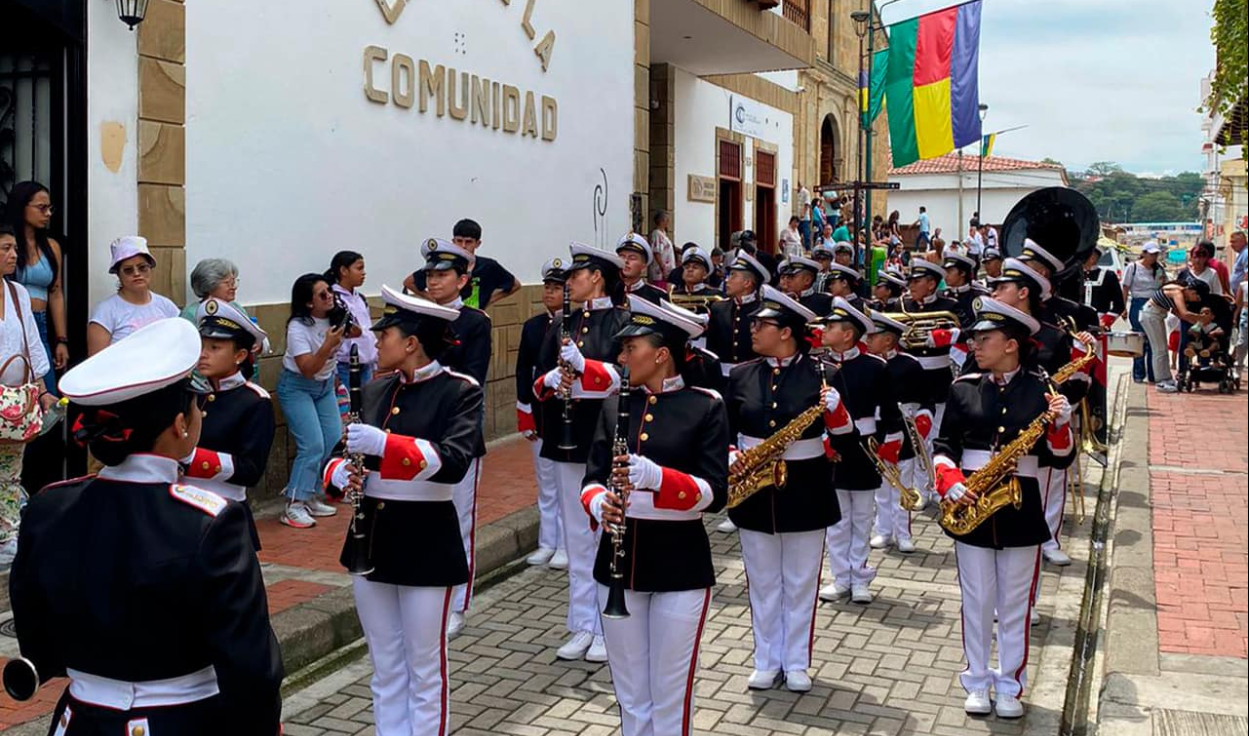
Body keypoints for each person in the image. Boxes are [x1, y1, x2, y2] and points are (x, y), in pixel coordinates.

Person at [10, 318, 283, 733]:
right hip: (181, 718)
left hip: (78, 718)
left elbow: (34, 627)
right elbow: (249, 663)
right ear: (180, 425)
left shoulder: (49, 505)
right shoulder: (212, 521)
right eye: (195, 407)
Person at [322, 286, 481, 736]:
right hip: (371, 536)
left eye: (385, 334)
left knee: (425, 668)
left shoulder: (458, 391)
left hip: (427, 539)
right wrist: (337, 474)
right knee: (385, 665)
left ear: (411, 343)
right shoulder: (375, 390)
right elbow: (338, 455)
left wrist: (386, 445)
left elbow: (453, 462)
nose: (376, 342)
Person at [580, 295, 728, 735]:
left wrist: (658, 477)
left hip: (680, 562)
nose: (621, 357)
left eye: (631, 349)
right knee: (629, 691)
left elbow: (714, 493)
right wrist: (597, 503)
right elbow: (591, 477)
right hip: (618, 561)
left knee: (669, 691)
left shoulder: (706, 406)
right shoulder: (613, 405)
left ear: (661, 354)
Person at [933, 297, 1074, 720]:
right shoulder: (964, 387)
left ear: (1011, 344)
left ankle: (1010, 684)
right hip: (972, 498)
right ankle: (976, 679)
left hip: (1020, 501)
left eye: (985, 338)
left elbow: (1060, 457)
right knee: (975, 600)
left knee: (1015, 603)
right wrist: (950, 482)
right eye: (976, 337)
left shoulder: (1042, 389)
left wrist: (1062, 424)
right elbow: (944, 447)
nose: (976, 344)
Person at [726, 285, 848, 693]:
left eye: (762, 324)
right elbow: (726, 429)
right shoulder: (742, 373)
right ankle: (766, 658)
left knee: (800, 580)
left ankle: (796, 660)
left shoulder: (824, 374)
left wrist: (839, 413)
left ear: (786, 332)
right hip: (753, 486)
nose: (753, 329)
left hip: (805, 485)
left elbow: (847, 441)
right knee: (761, 579)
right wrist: (729, 455)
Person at [531, 242, 629, 663]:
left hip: (603, 437)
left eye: (577, 275)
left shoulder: (623, 321)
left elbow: (626, 378)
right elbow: (538, 381)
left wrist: (586, 367)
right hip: (567, 437)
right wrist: (554, 378)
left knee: (606, 532)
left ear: (598, 278)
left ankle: (609, 626)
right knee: (576, 537)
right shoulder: (563, 323)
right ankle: (582, 623)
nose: (569, 282)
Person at [990, 259, 1086, 569]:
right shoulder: (993, 332)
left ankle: (1049, 539)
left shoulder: (1054, 336)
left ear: (1023, 293)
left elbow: (1073, 384)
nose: (994, 291)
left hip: (1040, 423)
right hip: (1002, 421)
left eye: (1002, 287)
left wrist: (1056, 410)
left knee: (1048, 483)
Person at [420, 238, 491, 636]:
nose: (434, 281)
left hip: (456, 434)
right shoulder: (417, 317)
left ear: (463, 280)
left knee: (459, 521)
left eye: (443, 274)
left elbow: (472, 380)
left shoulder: (474, 322)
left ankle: (457, 604)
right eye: (430, 274)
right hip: (418, 436)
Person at [814, 298, 903, 605]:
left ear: (848, 334)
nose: (824, 330)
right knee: (837, 520)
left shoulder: (875, 367)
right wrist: (824, 443)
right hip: (832, 450)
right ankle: (840, 577)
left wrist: (887, 448)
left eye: (831, 326)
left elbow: (890, 413)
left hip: (864, 449)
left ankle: (860, 575)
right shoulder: (818, 366)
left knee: (862, 517)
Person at [183, 297, 275, 550]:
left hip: (224, 511)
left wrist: (188, 458)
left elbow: (250, 469)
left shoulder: (255, 402)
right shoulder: (192, 394)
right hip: (184, 509)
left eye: (215, 347)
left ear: (240, 355)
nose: (203, 354)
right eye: (202, 345)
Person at [0, 225, 58, 565]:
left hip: (14, 400)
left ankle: (7, 535)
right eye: (6, 248)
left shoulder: (18, 293)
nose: (13, 255)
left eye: (13, 249)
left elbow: (32, 343)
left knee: (9, 471)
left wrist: (42, 388)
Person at [276, 273, 345, 528]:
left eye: (330, 291)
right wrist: (327, 345)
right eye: (322, 294)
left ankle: (312, 493)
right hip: (297, 386)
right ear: (308, 303)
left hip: (325, 387)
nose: (330, 297)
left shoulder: (333, 318)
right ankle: (293, 504)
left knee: (331, 441)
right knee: (312, 444)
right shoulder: (298, 327)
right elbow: (307, 369)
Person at [866, 310, 934, 549]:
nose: (867, 341)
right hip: (877, 429)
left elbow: (927, 399)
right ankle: (883, 531)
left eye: (873, 336)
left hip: (903, 429)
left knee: (903, 484)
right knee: (881, 488)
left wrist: (924, 419)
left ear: (888, 339)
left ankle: (903, 534)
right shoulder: (869, 365)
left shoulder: (910, 365)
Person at [516, 258, 568, 570]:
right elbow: (524, 368)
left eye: (557, 287)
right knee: (545, 483)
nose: (550, 292)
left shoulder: (576, 324)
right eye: (547, 287)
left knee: (564, 485)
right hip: (539, 410)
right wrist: (524, 409)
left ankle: (565, 544)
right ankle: (547, 542)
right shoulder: (533, 326)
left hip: (563, 413)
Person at [901, 259, 964, 503]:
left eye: (917, 281)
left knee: (936, 436)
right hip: (910, 380)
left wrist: (947, 336)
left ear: (931, 284)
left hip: (938, 379)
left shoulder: (949, 306)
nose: (911, 286)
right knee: (915, 438)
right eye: (911, 281)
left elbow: (966, 334)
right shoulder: (903, 305)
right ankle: (920, 489)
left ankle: (937, 484)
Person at [6, 182, 67, 393]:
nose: (48, 213)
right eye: (41, 207)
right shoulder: (8, 245)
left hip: (39, 323)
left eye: (50, 208)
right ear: (22, 207)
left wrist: (61, 339)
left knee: (45, 391)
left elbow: (56, 292)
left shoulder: (52, 247)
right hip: (11, 323)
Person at [87, 236, 179, 355]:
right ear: (118, 274)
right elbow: (96, 362)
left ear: (150, 268)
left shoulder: (167, 306)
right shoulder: (105, 312)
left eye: (142, 268)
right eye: (128, 270)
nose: (137, 273)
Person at [404, 218, 520, 309]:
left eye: (468, 242)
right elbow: (409, 282)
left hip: (475, 321)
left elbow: (515, 285)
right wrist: (433, 299)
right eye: (459, 241)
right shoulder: (442, 265)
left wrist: (488, 301)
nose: (463, 246)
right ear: (453, 241)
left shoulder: (488, 266)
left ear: (478, 243)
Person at [706, 250, 770, 378]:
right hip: (722, 377)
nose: (727, 280)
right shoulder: (718, 307)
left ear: (747, 283)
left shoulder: (763, 310)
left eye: (733, 276)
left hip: (753, 376)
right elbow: (711, 348)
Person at [326, 250, 378, 389]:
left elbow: (368, 330)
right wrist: (334, 371)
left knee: (366, 406)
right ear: (344, 270)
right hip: (344, 365)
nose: (363, 273)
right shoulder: (333, 298)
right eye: (359, 268)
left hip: (365, 364)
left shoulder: (360, 298)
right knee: (347, 407)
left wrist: (374, 362)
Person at [1121, 242, 1168, 383]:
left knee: (1154, 340)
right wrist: (1123, 307)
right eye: (1151, 254)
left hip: (1154, 303)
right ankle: (1138, 374)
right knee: (1139, 340)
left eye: (1156, 254)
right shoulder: (1133, 267)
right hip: (1138, 303)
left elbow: (1164, 286)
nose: (1153, 257)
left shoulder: (1159, 269)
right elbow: (1125, 288)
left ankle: (1154, 374)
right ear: (1144, 253)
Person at [180, 257, 243, 322]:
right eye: (228, 283)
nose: (234, 287)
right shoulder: (191, 314)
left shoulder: (237, 308)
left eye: (233, 282)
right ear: (210, 285)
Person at [617, 232, 668, 304]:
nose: (626, 261)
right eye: (622, 256)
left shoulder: (657, 297)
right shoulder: (608, 293)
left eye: (632, 258)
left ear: (643, 266)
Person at [1082, 247, 1125, 330]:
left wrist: (1105, 321)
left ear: (1093, 258)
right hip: (1077, 325)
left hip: (1101, 325)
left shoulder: (1109, 276)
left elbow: (1119, 305)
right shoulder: (1074, 276)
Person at [942, 251, 989, 328]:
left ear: (962, 273)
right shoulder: (942, 295)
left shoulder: (980, 296)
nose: (946, 275)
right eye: (945, 271)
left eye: (950, 271)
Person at [648, 212, 677, 288]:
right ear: (662, 221)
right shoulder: (657, 234)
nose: (668, 222)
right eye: (667, 220)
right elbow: (656, 252)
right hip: (660, 272)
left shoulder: (663, 234)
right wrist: (663, 268)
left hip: (667, 271)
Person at [797, 183, 812, 250]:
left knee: (806, 234)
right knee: (797, 234)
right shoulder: (798, 193)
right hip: (797, 217)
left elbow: (807, 204)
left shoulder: (806, 192)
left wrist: (803, 213)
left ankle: (808, 249)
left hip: (804, 217)